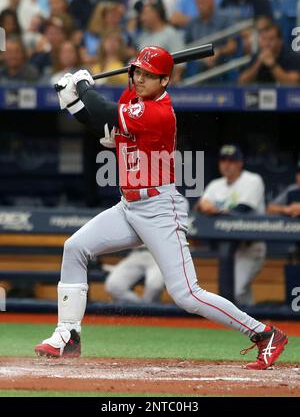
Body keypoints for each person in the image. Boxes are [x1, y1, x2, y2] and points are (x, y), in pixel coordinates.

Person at [35, 46, 288, 370]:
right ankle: (68, 336)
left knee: (186, 294)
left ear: (165, 81)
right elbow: (104, 127)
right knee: (75, 248)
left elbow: (107, 112)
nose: (140, 79)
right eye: (137, 72)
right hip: (129, 206)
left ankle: (264, 334)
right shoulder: (132, 101)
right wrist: (74, 103)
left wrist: (83, 88)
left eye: (149, 75)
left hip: (159, 208)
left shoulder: (160, 112)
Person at [196, 145, 266, 306]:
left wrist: (215, 210)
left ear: (240, 163)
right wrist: (203, 206)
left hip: (250, 247)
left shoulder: (252, 180)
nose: (226, 164)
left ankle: (251, 324)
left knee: (236, 291)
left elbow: (243, 209)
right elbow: (200, 206)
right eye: (223, 160)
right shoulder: (215, 184)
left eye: (231, 161)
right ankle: (255, 324)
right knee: (241, 292)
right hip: (227, 249)